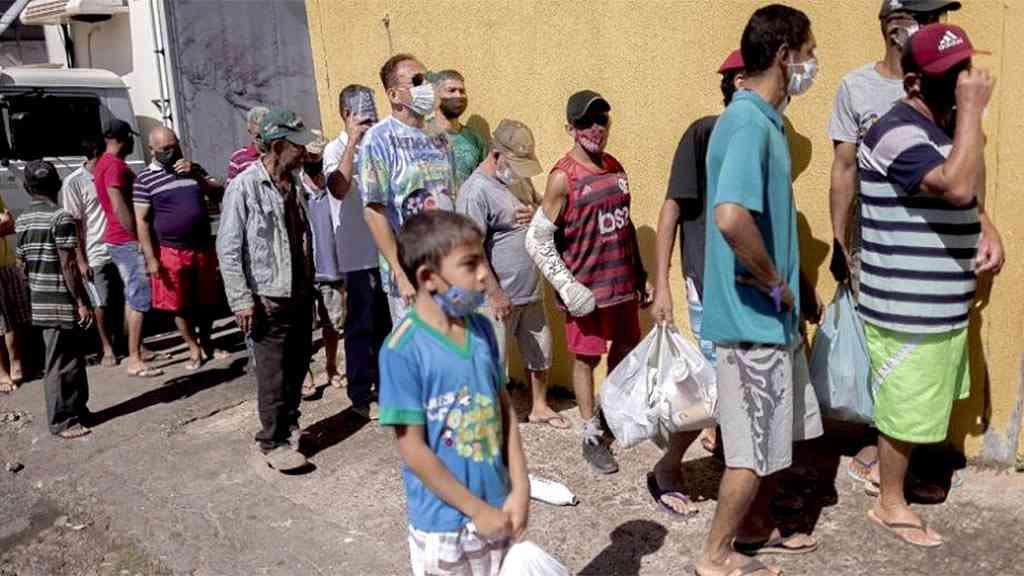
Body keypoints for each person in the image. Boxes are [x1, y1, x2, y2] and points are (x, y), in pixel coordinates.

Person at [858, 24, 1002, 548]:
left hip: (939, 305)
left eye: (964, 68)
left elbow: (962, 195)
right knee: (904, 409)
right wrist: (972, 113)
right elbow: (956, 183)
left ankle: (894, 478)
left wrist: (985, 227)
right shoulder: (894, 131)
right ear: (914, 83)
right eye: (950, 76)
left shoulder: (940, 130)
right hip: (906, 309)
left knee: (923, 402)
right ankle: (888, 503)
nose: (963, 81)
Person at [696, 6, 823, 576]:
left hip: (769, 322)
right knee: (748, 452)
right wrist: (775, 283)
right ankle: (714, 556)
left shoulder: (763, 123)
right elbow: (730, 217)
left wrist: (794, 292)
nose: (813, 64)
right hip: (752, 323)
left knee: (772, 442)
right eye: (809, 52)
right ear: (784, 55)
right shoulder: (747, 123)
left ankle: (751, 529)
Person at [828, 0, 962, 493]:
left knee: (928, 350)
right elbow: (844, 169)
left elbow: (964, 159)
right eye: (923, 18)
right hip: (879, 242)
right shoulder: (857, 87)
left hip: (938, 244)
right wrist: (839, 240)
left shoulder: (944, 80)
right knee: (884, 347)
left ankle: (916, 452)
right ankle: (879, 443)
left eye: (936, 19)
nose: (932, 27)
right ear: (891, 25)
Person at [379, 210, 529, 576]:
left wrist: (520, 487)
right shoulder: (402, 350)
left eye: (483, 260)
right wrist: (475, 509)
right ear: (429, 278)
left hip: (498, 510)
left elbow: (504, 410)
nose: (484, 274)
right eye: (470, 264)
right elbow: (412, 449)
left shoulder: (481, 330)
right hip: (444, 526)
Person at [525, 90, 651, 474]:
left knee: (626, 348)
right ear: (571, 128)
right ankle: (590, 433)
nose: (596, 128)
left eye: (602, 119)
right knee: (586, 358)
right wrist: (567, 286)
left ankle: (609, 412)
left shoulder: (615, 167)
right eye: (585, 122)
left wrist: (640, 273)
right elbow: (537, 239)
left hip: (620, 285)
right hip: (586, 290)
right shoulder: (562, 177)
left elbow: (624, 224)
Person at [648, 50, 745, 516]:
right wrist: (662, 283)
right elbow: (672, 208)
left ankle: (726, 447)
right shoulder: (704, 133)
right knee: (713, 384)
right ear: (738, 82)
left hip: (752, 289)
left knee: (741, 381)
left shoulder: (766, 138)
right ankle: (667, 466)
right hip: (709, 283)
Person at [217, 107, 316, 472]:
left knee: (298, 364)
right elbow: (228, 249)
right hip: (267, 296)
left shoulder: (295, 182)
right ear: (277, 146)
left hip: (299, 291)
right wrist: (241, 300)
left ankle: (289, 426)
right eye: (297, 146)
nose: (303, 152)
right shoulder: (244, 186)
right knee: (273, 374)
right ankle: (272, 441)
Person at [457, 119, 562, 429]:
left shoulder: (517, 178)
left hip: (530, 290)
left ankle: (539, 406)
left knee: (540, 351)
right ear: (496, 154)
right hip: (496, 297)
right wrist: (494, 292)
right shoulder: (475, 191)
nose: (519, 171)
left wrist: (537, 213)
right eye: (515, 163)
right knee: (492, 360)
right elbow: (470, 249)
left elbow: (544, 207)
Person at [361, 53, 456, 324]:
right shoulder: (379, 139)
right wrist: (400, 274)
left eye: (427, 79)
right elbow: (374, 212)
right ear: (394, 95)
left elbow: (451, 198)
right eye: (417, 81)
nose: (427, 86)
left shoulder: (440, 137)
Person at [323, 83, 392, 420]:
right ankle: (361, 394)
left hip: (386, 251)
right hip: (357, 255)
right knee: (360, 326)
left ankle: (387, 388)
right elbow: (337, 188)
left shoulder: (379, 145)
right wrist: (352, 142)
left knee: (387, 326)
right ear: (347, 114)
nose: (370, 121)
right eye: (363, 115)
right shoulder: (334, 149)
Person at [134, 127, 225, 370]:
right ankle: (193, 347)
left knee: (206, 299)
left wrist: (196, 175)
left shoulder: (193, 169)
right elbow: (142, 221)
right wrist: (151, 258)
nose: (170, 152)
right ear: (152, 150)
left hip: (202, 246)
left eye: (173, 147)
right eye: (164, 149)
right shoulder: (144, 179)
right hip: (171, 251)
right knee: (179, 304)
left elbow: (218, 193)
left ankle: (207, 342)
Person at [14, 161, 94, 438]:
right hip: (61, 300)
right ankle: (63, 421)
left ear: (27, 188)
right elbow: (68, 265)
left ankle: (78, 410)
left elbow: (22, 265)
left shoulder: (23, 219)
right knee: (61, 363)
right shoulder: (61, 217)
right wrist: (81, 301)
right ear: (58, 184)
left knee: (69, 360)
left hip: (40, 299)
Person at [94, 118, 163, 378]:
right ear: (124, 138)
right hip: (125, 240)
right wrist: (137, 238)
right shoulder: (114, 166)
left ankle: (138, 349)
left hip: (118, 239)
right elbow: (118, 205)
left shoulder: (103, 163)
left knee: (131, 296)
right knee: (138, 297)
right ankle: (134, 359)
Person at [62, 138, 121, 367]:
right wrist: (81, 260)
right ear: (97, 151)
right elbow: (74, 223)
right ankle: (107, 348)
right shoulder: (74, 182)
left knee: (128, 298)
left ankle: (135, 344)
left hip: (120, 246)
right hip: (95, 251)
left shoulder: (112, 172)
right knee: (101, 302)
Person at [300, 132, 345, 397]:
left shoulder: (332, 184)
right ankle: (306, 373)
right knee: (304, 327)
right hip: (304, 271)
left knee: (332, 323)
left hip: (332, 267)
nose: (313, 161)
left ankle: (331, 366)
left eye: (317, 156)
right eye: (309, 156)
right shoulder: (296, 187)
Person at [428, 69, 487, 189]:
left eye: (462, 91)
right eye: (451, 90)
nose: (458, 96)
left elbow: (485, 184)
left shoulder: (475, 140)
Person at [0, 193, 29, 393]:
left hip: (6, 263)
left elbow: (10, 223)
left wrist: (5, 224)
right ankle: (2, 372)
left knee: (12, 316)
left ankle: (15, 362)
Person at [227, 106, 270, 183]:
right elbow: (232, 188)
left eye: (265, 133)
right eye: (258, 136)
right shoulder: (238, 158)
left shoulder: (279, 155)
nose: (262, 139)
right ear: (250, 132)